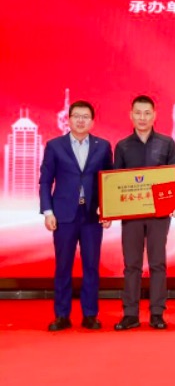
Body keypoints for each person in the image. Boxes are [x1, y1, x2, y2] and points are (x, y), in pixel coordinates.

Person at [39, 100, 113, 331]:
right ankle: (62, 315)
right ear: (69, 120)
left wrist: (109, 210)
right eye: (76, 116)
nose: (81, 120)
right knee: (63, 266)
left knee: (91, 266)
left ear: (92, 121)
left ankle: (90, 314)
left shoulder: (103, 146)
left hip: (92, 215)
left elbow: (109, 181)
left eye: (85, 117)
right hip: (63, 215)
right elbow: (45, 181)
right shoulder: (55, 146)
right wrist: (48, 212)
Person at [113, 95, 175, 331]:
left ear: (154, 115)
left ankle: (157, 313)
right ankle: (130, 314)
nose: (142, 117)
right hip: (131, 213)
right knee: (131, 264)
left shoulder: (167, 143)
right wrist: (110, 208)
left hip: (159, 214)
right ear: (131, 115)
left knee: (157, 263)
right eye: (138, 113)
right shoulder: (122, 146)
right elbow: (115, 182)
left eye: (147, 113)